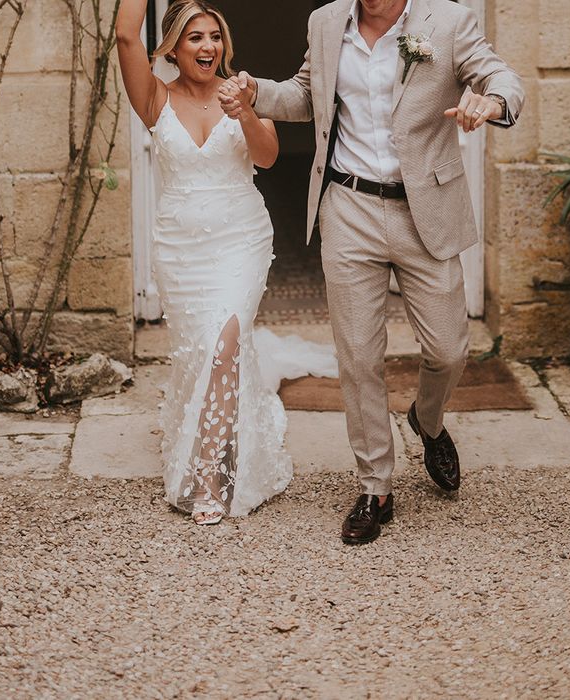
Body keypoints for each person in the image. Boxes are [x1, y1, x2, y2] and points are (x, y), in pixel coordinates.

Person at [220, 0, 524, 544]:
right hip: (349, 203)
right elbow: (303, 93)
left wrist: (492, 101)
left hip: (424, 207)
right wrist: (256, 94)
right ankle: (375, 486)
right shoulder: (326, 20)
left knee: (449, 349)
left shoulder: (448, 22)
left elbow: (499, 75)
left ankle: (426, 422)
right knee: (358, 355)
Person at [116, 0, 323, 525]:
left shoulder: (244, 90)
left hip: (240, 239)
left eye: (214, 37)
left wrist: (246, 111)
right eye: (194, 38)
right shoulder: (154, 98)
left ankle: (210, 475)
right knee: (198, 351)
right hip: (180, 250)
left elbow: (269, 157)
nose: (207, 46)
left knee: (225, 341)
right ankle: (212, 434)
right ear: (173, 47)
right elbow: (124, 37)